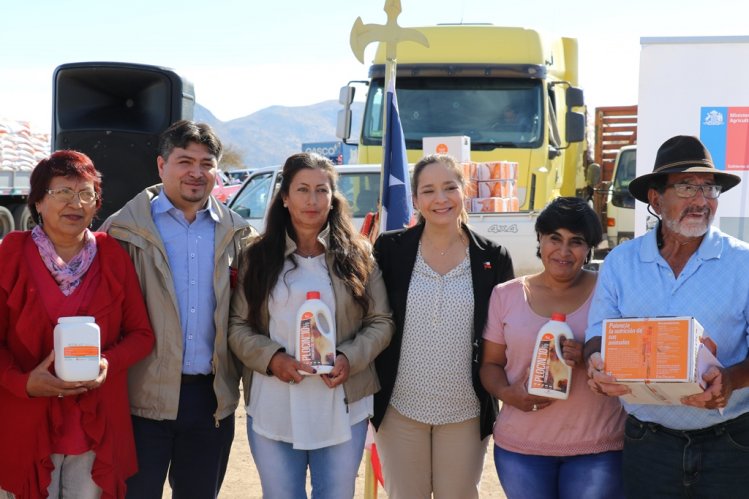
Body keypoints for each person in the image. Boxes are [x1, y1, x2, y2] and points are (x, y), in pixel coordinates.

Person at [585, 135, 749, 498]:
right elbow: (597, 334)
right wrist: (595, 363)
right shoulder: (621, 263)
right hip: (649, 443)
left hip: (733, 443)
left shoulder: (744, 263)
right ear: (656, 200)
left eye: (709, 189)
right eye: (687, 187)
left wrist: (732, 380)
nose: (701, 200)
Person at [102, 120, 254, 498]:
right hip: (140, 401)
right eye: (185, 161)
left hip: (210, 403)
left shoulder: (238, 234)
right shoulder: (122, 231)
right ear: (161, 166)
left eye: (206, 163)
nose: (196, 173)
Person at [228, 152, 393, 499]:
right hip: (273, 404)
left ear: (334, 198)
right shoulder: (256, 256)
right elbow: (237, 327)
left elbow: (381, 321)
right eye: (302, 189)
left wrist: (350, 358)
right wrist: (273, 359)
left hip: (341, 406)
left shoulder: (359, 254)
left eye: (322, 190)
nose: (313, 200)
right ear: (285, 197)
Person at [0, 150, 155, 498]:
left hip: (94, 430)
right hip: (27, 423)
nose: (76, 203)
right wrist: (23, 383)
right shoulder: (11, 253)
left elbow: (141, 335)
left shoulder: (112, 255)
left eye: (86, 194)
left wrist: (106, 364)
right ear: (38, 201)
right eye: (63, 193)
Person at [371, 153, 514, 499]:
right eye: (428, 190)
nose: (440, 199)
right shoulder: (390, 249)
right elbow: (372, 319)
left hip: (465, 411)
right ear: (416, 199)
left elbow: (507, 333)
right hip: (399, 409)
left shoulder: (493, 257)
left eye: (449, 187)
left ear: (464, 191)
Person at [479, 197, 626, 499]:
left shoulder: (609, 292)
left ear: (589, 249)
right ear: (540, 239)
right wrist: (508, 395)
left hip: (598, 445)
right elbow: (490, 365)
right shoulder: (506, 295)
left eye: (576, 242)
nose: (563, 251)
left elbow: (633, 358)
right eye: (554, 239)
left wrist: (590, 354)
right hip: (522, 449)